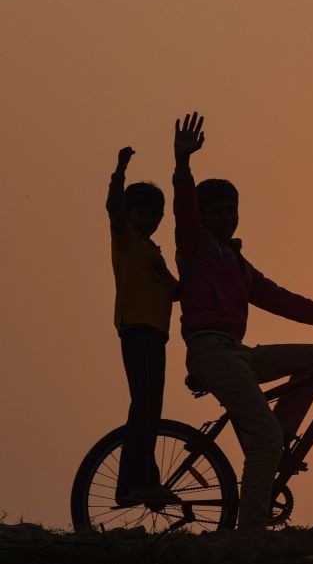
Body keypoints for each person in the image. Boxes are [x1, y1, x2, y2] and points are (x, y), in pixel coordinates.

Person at [171, 112, 313, 530]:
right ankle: (248, 537)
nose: (226, 217)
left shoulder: (237, 263)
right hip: (211, 352)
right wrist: (183, 164)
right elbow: (184, 212)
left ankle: (275, 444)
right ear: (203, 217)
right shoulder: (195, 247)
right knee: (264, 438)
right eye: (217, 212)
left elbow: (279, 298)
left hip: (238, 354)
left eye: (232, 210)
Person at [106, 146, 180, 504]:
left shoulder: (154, 252)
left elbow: (176, 291)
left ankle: (133, 483)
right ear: (130, 213)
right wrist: (120, 171)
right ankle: (139, 481)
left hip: (156, 333)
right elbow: (114, 210)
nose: (149, 220)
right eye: (142, 213)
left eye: (155, 215)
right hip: (137, 327)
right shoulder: (127, 240)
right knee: (145, 404)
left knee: (150, 406)